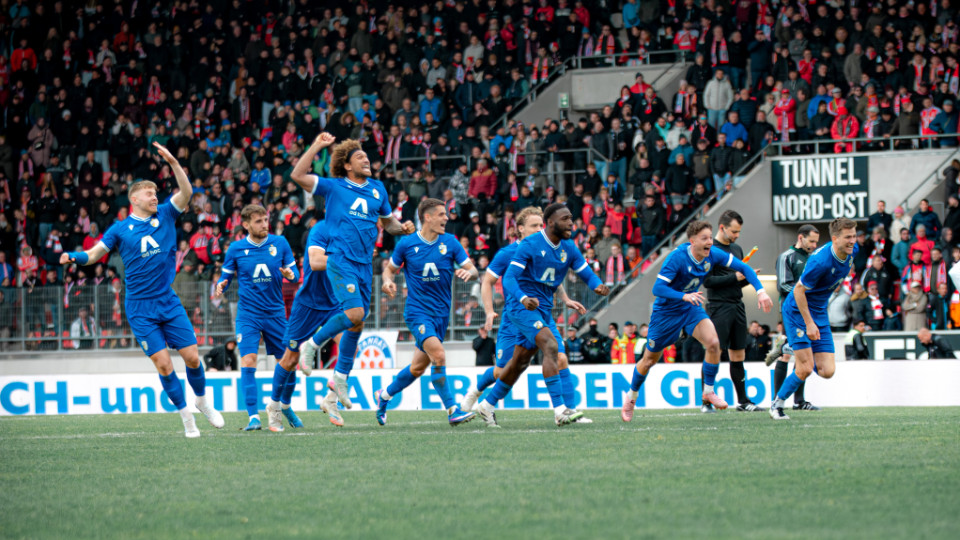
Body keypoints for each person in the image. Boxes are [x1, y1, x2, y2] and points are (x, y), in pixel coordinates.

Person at [60, 142, 224, 438]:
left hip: (168, 301)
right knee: (163, 365)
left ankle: (201, 401)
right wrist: (74, 256)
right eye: (149, 193)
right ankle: (187, 418)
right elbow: (95, 254)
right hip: (139, 308)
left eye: (155, 193)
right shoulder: (119, 229)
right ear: (134, 198)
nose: (154, 196)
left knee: (192, 358)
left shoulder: (166, 213)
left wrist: (174, 163)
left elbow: (187, 194)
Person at [289, 134, 415, 426]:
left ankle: (339, 381)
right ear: (346, 165)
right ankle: (312, 344)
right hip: (340, 259)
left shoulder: (378, 189)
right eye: (359, 157)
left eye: (366, 156)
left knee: (358, 322)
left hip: (363, 265)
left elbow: (388, 223)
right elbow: (297, 175)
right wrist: (317, 145)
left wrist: (403, 229)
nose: (366, 159)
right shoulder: (334, 187)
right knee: (354, 313)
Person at [621, 220, 773, 422]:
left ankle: (708, 391)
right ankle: (631, 397)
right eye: (705, 238)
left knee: (713, 343)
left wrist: (761, 292)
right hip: (666, 312)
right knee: (649, 360)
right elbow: (657, 289)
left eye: (710, 237)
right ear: (692, 241)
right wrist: (683, 296)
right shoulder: (677, 258)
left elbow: (745, 269)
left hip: (690, 307)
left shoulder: (713, 255)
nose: (710, 242)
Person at [474, 203, 610, 427]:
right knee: (551, 347)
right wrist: (522, 298)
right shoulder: (529, 245)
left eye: (571, 218)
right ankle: (561, 410)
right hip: (522, 309)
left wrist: (597, 285)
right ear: (551, 223)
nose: (571, 223)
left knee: (519, 363)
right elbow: (508, 278)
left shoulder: (569, 247)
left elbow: (586, 273)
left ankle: (487, 405)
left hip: (544, 310)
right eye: (565, 219)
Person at [375, 199, 479, 426]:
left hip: (441, 315)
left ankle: (383, 396)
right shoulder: (406, 244)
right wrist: (387, 282)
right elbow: (389, 271)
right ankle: (452, 410)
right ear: (428, 217)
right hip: (417, 312)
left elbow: (472, 269)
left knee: (417, 367)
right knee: (439, 355)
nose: (446, 218)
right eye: (441, 215)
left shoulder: (450, 243)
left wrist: (469, 273)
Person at [215, 205, 299, 432]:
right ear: (246, 225)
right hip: (248, 315)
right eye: (259, 221)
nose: (265, 224)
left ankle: (285, 405)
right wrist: (221, 283)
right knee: (249, 360)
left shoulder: (280, 244)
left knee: (290, 362)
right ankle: (253, 417)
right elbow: (225, 276)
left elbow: (295, 273)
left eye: (266, 220)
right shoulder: (235, 248)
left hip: (275, 313)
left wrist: (291, 275)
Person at [770, 218, 859, 420]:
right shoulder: (820, 261)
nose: (853, 241)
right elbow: (799, 291)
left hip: (819, 311)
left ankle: (790, 347)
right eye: (848, 237)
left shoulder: (853, 251)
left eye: (854, 236)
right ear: (835, 239)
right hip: (797, 311)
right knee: (805, 368)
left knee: (827, 371)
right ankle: (777, 405)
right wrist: (809, 323)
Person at [703, 210, 761, 412]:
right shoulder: (710, 249)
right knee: (714, 352)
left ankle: (743, 401)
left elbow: (735, 283)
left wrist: (745, 279)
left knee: (738, 355)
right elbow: (708, 281)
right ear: (722, 228)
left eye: (739, 232)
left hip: (737, 305)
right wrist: (735, 277)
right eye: (734, 231)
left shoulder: (736, 248)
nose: (737, 236)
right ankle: (706, 401)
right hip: (718, 306)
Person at [767, 224, 821, 411]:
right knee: (787, 355)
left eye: (816, 242)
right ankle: (777, 399)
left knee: (803, 356)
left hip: (808, 312)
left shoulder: (814, 258)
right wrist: (804, 297)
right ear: (800, 237)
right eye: (811, 241)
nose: (815, 245)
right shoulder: (786, 257)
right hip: (791, 311)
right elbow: (783, 285)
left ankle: (799, 400)